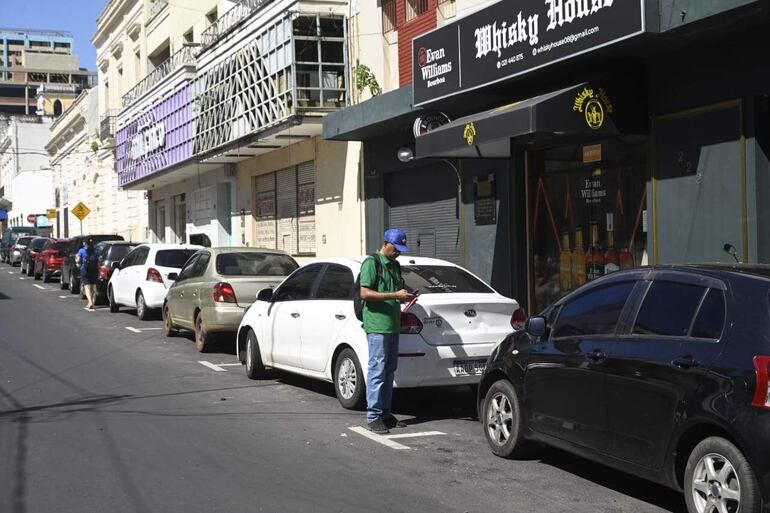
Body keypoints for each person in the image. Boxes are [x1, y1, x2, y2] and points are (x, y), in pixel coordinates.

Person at [359, 228, 415, 434]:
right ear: (386, 244)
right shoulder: (371, 263)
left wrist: (404, 297)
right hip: (377, 326)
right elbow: (364, 293)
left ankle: (385, 413)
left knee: (389, 371)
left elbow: (395, 293)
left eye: (401, 249)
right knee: (377, 371)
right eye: (396, 248)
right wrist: (394, 294)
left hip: (392, 325)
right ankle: (373, 416)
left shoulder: (395, 265)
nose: (398, 252)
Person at [76, 237, 100, 310]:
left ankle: (90, 302)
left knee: (87, 287)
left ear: (85, 243)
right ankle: (92, 301)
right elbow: (99, 262)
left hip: (85, 270)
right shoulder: (96, 251)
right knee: (93, 287)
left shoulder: (82, 251)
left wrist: (77, 260)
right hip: (94, 270)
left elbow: (78, 260)